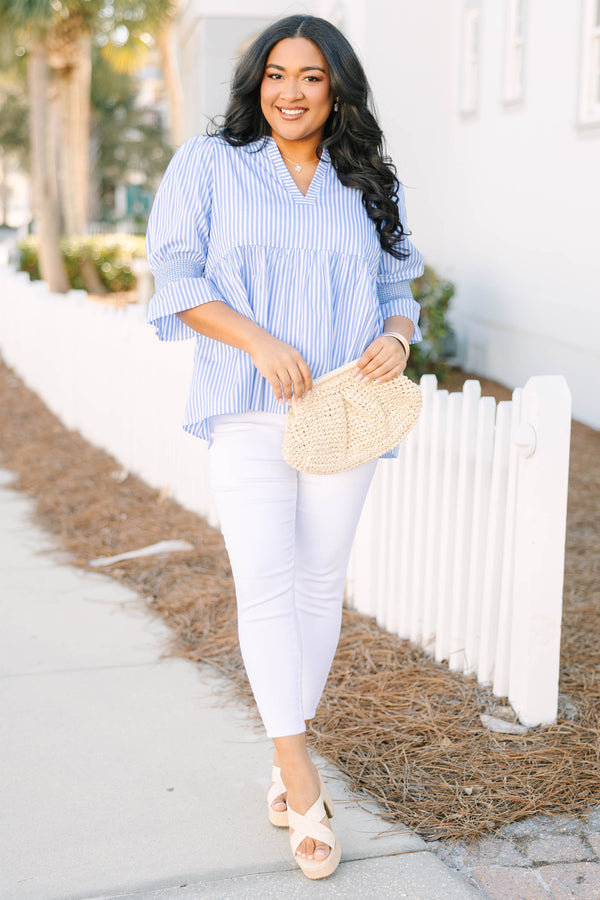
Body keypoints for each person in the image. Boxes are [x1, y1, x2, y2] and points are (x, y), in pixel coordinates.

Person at [145, 14, 424, 880]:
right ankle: (300, 772)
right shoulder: (209, 165)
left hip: (346, 409)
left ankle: (282, 752)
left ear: (336, 86)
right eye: (275, 74)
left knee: (316, 583)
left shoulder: (368, 179)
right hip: (247, 406)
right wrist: (259, 342)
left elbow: (399, 285)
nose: (290, 92)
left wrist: (399, 338)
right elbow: (177, 277)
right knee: (264, 579)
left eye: (309, 76)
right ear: (254, 83)